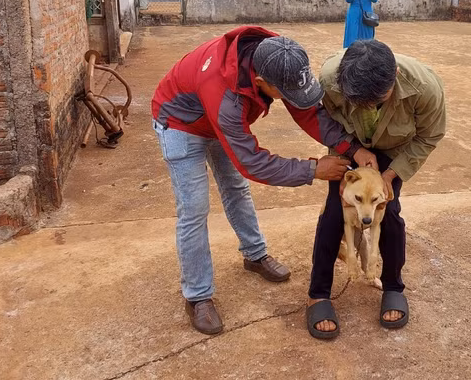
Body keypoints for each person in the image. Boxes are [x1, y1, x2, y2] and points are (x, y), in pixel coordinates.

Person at [151, 26, 378, 335]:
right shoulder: (225, 95)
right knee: (194, 208)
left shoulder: (279, 56)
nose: (291, 99)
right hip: (181, 122)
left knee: (236, 190)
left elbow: (308, 112)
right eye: (283, 94)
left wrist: (352, 148)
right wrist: (312, 170)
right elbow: (252, 163)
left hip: (217, 118)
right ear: (261, 83)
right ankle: (198, 296)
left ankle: (254, 255)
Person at [305, 39, 447, 340]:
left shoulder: (425, 89)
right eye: (360, 102)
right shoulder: (331, 78)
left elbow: (429, 136)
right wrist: (353, 151)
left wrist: (390, 174)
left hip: (394, 154)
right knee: (335, 211)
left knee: (390, 213)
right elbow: (326, 122)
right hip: (349, 147)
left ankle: (393, 286)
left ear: (394, 74)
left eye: (376, 100)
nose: (368, 107)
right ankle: (318, 293)